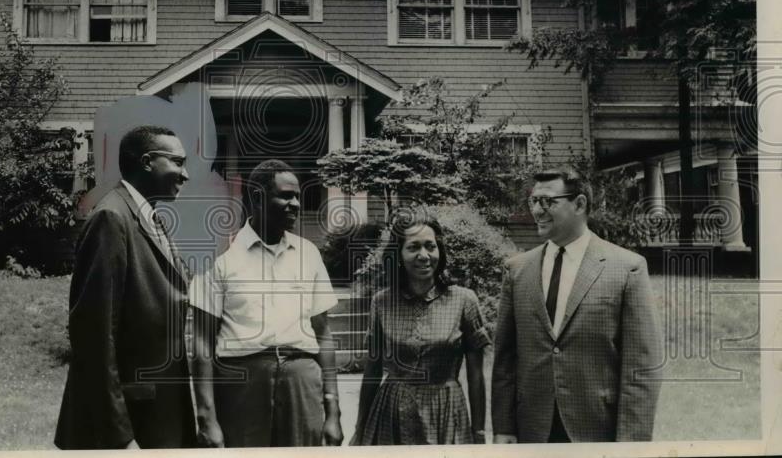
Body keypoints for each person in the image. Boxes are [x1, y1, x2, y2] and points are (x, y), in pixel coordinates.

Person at [492, 167, 662, 443]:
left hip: (597, 431)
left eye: (547, 201)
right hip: (532, 430)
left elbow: (640, 368)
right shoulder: (517, 270)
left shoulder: (627, 268)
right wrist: (504, 427)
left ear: (580, 203)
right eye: (533, 201)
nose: (537, 210)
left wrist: (631, 443)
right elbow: (505, 361)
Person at [54, 125, 195, 449]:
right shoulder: (111, 219)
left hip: (159, 412)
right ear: (147, 162)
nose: (185, 174)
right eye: (177, 162)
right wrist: (120, 437)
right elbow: (94, 336)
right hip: (131, 420)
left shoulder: (150, 218)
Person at [189, 159, 343, 448]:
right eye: (285, 195)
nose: (295, 203)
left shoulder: (308, 254)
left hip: (301, 383)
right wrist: (206, 417)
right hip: (241, 387)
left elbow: (323, 333)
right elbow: (201, 341)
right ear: (257, 198)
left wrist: (333, 409)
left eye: (297, 196)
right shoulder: (219, 256)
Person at [352, 213, 489, 445]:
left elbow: (476, 375)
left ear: (440, 251)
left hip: (445, 411)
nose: (424, 255)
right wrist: (360, 428)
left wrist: (479, 433)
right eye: (413, 247)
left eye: (430, 246)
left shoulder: (464, 300)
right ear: (398, 254)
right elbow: (372, 371)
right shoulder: (382, 302)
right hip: (392, 413)